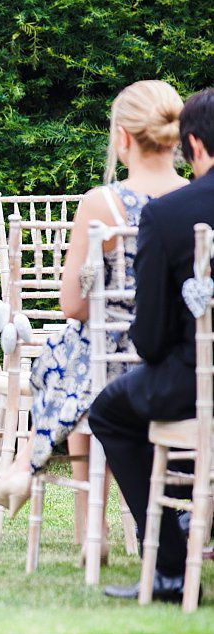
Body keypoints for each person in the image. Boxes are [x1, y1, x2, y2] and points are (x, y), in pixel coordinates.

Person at [0, 81, 186, 551]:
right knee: (77, 353)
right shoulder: (196, 200)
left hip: (106, 365)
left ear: (122, 138)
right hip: (173, 359)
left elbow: (72, 304)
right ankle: (35, 478)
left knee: (73, 349)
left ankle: (61, 504)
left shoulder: (104, 203)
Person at [92, 87, 214, 603]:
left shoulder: (170, 215)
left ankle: (166, 566)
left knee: (110, 411)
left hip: (196, 381)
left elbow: (150, 337)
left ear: (194, 145)